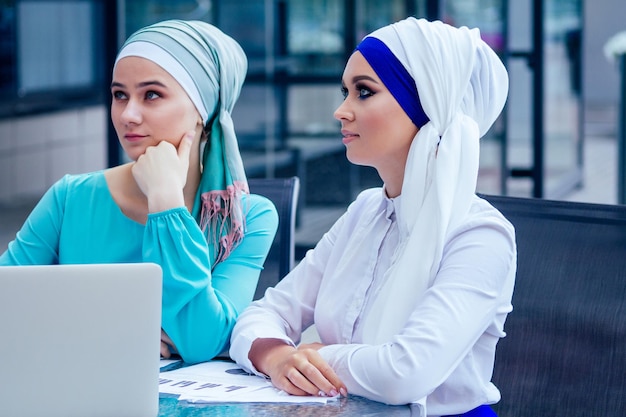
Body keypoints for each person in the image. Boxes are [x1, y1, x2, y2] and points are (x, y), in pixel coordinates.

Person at [229, 17, 516, 417]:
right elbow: (266, 312)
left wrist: (319, 357)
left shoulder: (480, 234)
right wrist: (277, 355)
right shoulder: (365, 210)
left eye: (364, 92)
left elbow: (406, 373)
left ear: (428, 103)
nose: (340, 111)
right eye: (346, 91)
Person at [0, 20, 278, 364]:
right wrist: (117, 330)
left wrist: (166, 205)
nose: (128, 115)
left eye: (151, 95)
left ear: (203, 111)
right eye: (120, 95)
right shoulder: (70, 198)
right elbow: (6, 306)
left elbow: (203, 341)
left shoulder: (248, 217)